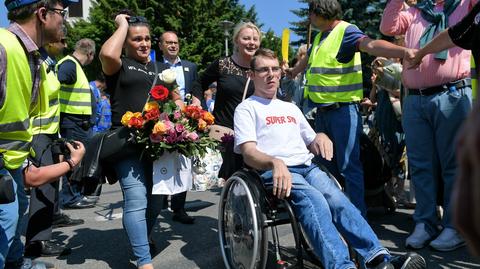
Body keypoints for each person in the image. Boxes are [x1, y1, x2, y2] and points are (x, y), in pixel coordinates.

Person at [234, 48, 426, 269]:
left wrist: (321, 137)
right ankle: (341, 266)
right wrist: (274, 162)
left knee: (338, 200)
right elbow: (248, 152)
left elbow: (311, 138)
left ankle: (379, 259)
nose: (271, 74)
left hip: (306, 167)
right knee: (314, 200)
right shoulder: (247, 108)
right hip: (276, 171)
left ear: (280, 72)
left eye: (274, 69)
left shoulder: (290, 108)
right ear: (251, 75)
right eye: (263, 70)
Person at [286, 0, 409, 216]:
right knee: (325, 168)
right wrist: (294, 71)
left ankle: (357, 218)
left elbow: (370, 45)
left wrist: (405, 52)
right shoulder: (319, 37)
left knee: (349, 167)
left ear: (321, 11)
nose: (309, 18)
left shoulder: (346, 31)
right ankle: (334, 213)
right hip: (321, 114)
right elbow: (307, 59)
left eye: (311, 13)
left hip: (342, 112)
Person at [381, 0, 476, 251]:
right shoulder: (415, 12)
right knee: (420, 166)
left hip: (452, 94)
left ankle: (454, 226)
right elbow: (388, 27)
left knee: (453, 165)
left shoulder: (464, 5)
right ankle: (424, 222)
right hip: (415, 99)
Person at [0, 0, 76, 268]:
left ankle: (17, 262)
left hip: (13, 161)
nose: (64, 20)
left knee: (15, 218)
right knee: (7, 222)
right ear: (43, 14)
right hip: (3, 164)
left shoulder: (28, 54)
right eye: (62, 13)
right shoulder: (4, 47)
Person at [99, 13, 165, 269]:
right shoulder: (119, 65)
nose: (144, 43)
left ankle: (144, 238)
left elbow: (173, 98)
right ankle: (144, 261)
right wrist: (122, 24)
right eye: (137, 39)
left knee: (157, 199)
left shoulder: (159, 69)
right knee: (137, 198)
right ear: (125, 42)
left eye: (147, 38)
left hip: (158, 143)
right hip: (126, 142)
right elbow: (106, 54)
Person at [24, 29, 83, 259]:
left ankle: (38, 237)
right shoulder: (37, 59)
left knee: (48, 186)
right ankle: (36, 243)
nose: (65, 43)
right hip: (37, 133)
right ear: (49, 43)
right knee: (43, 187)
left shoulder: (49, 61)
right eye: (62, 40)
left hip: (48, 132)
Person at [192, 21, 260, 180]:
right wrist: (198, 105)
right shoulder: (223, 64)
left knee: (252, 180)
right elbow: (199, 83)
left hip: (253, 134)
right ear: (236, 40)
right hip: (225, 134)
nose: (251, 42)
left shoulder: (260, 67)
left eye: (255, 39)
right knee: (229, 179)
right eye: (246, 38)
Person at [158, 31, 198, 225]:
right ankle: (158, 202)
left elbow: (196, 91)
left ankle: (179, 208)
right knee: (162, 160)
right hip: (161, 118)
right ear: (161, 46)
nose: (173, 46)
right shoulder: (154, 67)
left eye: (175, 43)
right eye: (169, 43)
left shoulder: (191, 67)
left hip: (186, 119)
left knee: (183, 163)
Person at [56, 38, 96, 209]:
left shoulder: (73, 65)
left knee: (78, 160)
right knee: (74, 160)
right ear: (90, 54)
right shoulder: (69, 65)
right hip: (73, 123)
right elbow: (54, 83)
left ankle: (76, 195)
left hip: (78, 123)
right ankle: (70, 198)